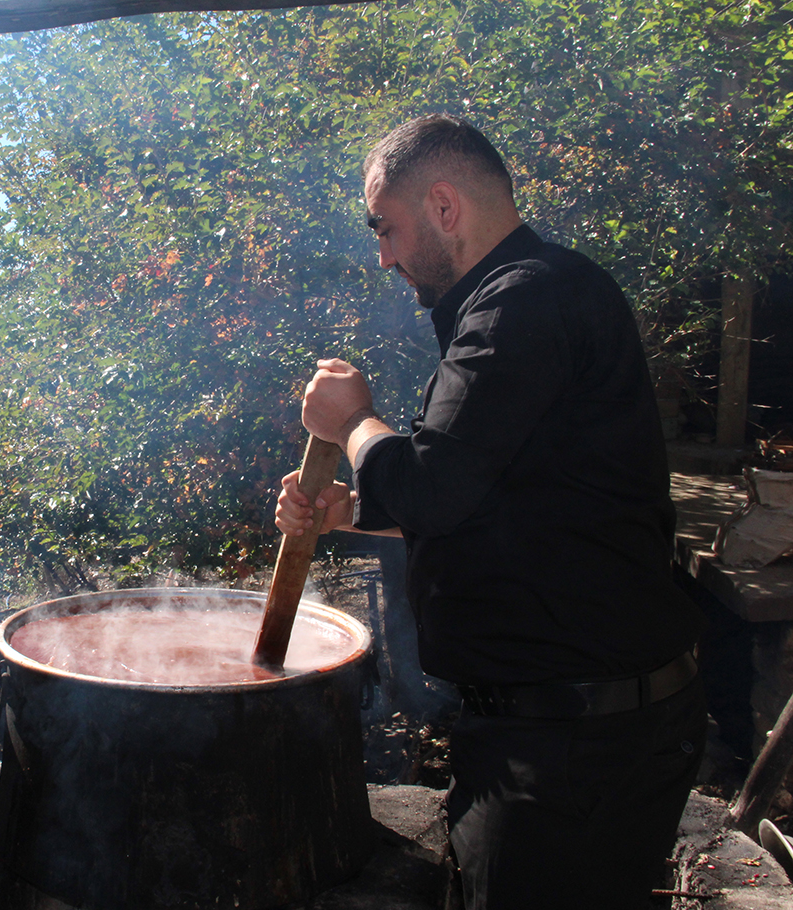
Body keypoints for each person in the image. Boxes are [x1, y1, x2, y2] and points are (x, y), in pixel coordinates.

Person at [275, 114, 707, 910]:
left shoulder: (527, 301)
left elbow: (437, 486)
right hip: (565, 732)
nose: (384, 257)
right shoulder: (529, 297)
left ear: (443, 205)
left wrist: (350, 422)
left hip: (576, 747)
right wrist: (348, 513)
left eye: (387, 228)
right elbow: (491, 497)